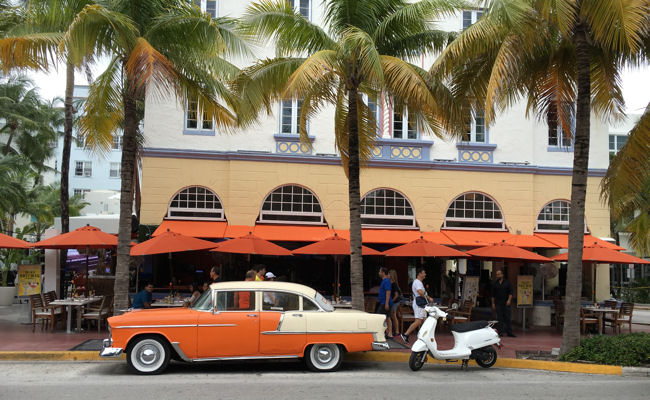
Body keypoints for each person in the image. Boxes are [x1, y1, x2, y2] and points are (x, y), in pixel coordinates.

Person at [400, 268, 432, 343]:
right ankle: (406, 334)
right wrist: (428, 297)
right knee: (418, 321)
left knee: (425, 320)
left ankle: (423, 336)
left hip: (421, 304)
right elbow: (420, 292)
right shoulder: (417, 282)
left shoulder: (419, 282)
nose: (425, 274)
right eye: (424, 273)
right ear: (419, 274)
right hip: (419, 304)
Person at [491, 269, 515, 337]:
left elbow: (511, 292)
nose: (497, 275)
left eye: (498, 274)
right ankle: (500, 333)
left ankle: (509, 332)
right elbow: (492, 295)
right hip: (498, 303)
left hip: (506, 303)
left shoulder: (507, 282)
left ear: (502, 275)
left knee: (508, 318)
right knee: (500, 318)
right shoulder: (495, 284)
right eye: (497, 274)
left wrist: (509, 300)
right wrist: (493, 304)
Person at [376, 267, 393, 339]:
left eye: (380, 272)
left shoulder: (386, 281)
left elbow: (388, 292)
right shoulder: (385, 281)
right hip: (383, 302)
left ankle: (387, 333)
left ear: (383, 273)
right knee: (387, 317)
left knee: (379, 317)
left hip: (384, 303)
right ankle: (389, 333)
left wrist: (386, 303)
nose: (379, 273)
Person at [388, 269, 402, 337]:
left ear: (391, 275)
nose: (388, 275)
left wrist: (391, 301)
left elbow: (396, 295)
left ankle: (397, 331)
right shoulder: (390, 283)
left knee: (393, 315)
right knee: (393, 315)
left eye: (388, 274)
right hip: (394, 300)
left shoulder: (394, 284)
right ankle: (395, 330)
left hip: (395, 301)